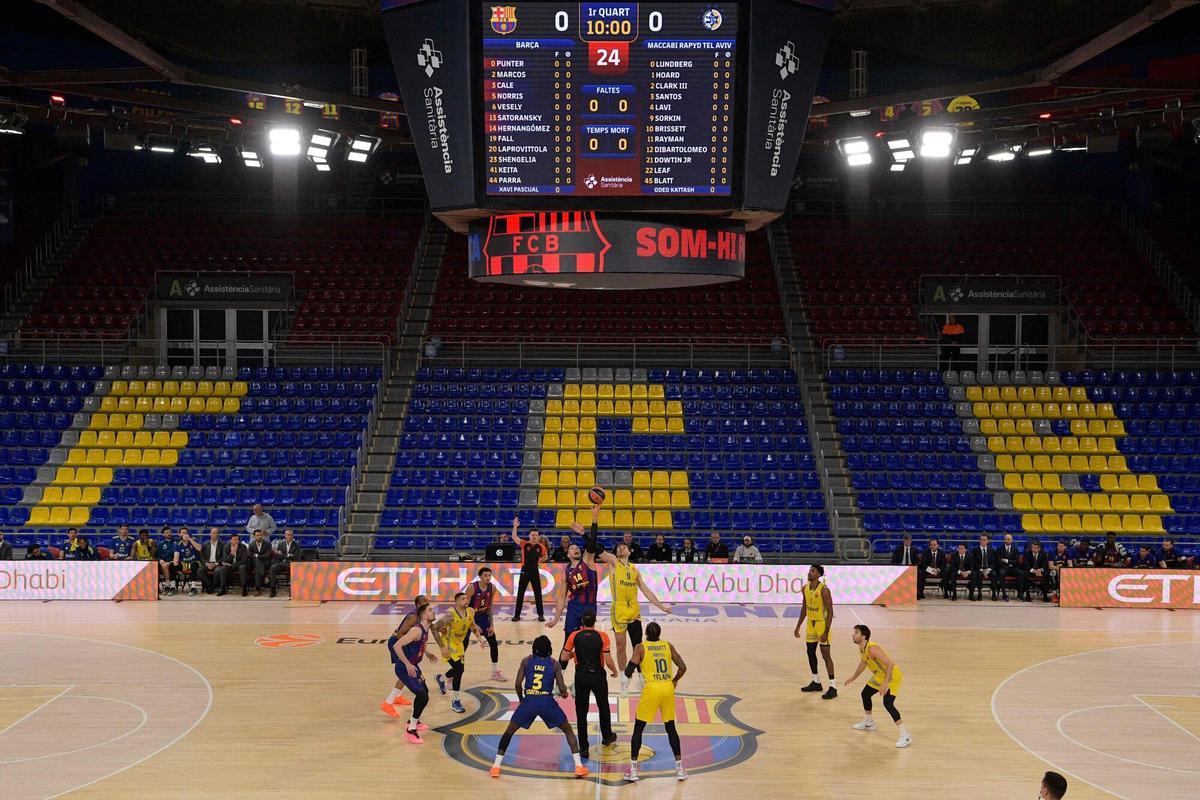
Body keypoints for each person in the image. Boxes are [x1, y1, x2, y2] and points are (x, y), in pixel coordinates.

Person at [490, 635, 589, 779]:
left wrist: (521, 699)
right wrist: (564, 693)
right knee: (568, 730)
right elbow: (561, 688)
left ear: (534, 648)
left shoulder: (526, 661)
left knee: (509, 731)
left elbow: (518, 684)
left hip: (529, 700)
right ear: (549, 649)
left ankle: (496, 766)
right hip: (546, 701)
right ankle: (579, 766)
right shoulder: (555, 664)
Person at [598, 527, 673, 695]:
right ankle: (624, 680)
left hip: (634, 612)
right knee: (620, 646)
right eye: (618, 547)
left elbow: (646, 590)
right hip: (618, 611)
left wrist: (661, 607)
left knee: (637, 645)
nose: (620, 548)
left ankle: (640, 676)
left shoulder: (634, 570)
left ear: (630, 551)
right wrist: (585, 532)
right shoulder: (613, 562)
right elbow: (597, 548)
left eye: (624, 547)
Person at [622, 622, 688, 782]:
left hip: (651, 689)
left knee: (639, 728)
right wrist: (674, 681)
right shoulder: (667, 645)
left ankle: (633, 771)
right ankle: (679, 770)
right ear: (659, 633)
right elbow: (683, 667)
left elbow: (628, 670)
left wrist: (631, 678)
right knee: (671, 728)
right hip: (667, 688)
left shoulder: (641, 647)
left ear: (645, 633)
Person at [558, 608, 617, 760]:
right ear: (595, 620)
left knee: (581, 712)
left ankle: (584, 747)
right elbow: (608, 659)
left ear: (582, 621)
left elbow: (564, 657)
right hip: (598, 676)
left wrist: (574, 654)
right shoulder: (603, 636)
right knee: (603, 706)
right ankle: (607, 736)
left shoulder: (574, 635)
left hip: (581, 676)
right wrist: (615, 671)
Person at [844, 624, 911, 748]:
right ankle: (869, 722)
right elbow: (863, 663)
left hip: (892, 676)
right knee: (865, 694)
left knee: (888, 703)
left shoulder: (872, 648)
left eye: (856, 633)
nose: (853, 635)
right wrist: (853, 678)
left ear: (863, 637)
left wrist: (885, 684)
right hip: (880, 676)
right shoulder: (862, 648)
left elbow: (890, 664)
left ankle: (905, 735)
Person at [383, 604, 441, 744]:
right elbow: (397, 646)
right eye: (430, 610)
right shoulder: (416, 630)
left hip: (413, 666)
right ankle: (411, 729)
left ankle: (413, 721)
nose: (433, 612)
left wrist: (426, 654)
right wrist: (408, 664)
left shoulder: (425, 629)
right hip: (404, 668)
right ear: (423, 615)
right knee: (422, 695)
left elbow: (421, 645)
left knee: (425, 693)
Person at [549, 513, 600, 646]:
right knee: (568, 643)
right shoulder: (566, 572)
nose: (576, 549)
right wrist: (555, 619)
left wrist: (593, 520)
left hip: (589, 608)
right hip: (573, 608)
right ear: (568, 554)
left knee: (586, 645)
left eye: (577, 548)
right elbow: (561, 597)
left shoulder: (588, 562)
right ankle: (561, 666)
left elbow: (592, 543)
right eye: (572, 548)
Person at [432, 591, 487, 713]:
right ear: (456, 602)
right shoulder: (450, 615)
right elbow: (434, 628)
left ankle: (441, 679)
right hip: (448, 643)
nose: (466, 601)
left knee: (459, 669)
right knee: (459, 669)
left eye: (466, 598)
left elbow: (472, 625)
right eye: (463, 599)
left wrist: (479, 637)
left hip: (459, 644)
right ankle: (455, 701)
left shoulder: (470, 611)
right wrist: (442, 647)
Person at [381, 595, 432, 712]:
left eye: (428, 600)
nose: (427, 601)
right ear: (418, 605)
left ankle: (396, 697)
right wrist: (409, 648)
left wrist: (427, 652)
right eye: (424, 601)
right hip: (397, 642)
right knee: (407, 670)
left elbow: (424, 637)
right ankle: (388, 703)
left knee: (409, 671)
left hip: (406, 643)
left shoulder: (424, 617)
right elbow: (400, 634)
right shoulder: (413, 617)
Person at [794, 564, 836, 698]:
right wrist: (798, 625)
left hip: (822, 625)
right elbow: (804, 607)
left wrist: (826, 631)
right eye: (809, 570)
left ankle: (833, 686)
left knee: (825, 655)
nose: (810, 573)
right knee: (810, 653)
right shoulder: (805, 588)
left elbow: (830, 612)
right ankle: (816, 682)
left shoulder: (824, 590)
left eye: (813, 571)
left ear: (819, 574)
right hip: (810, 625)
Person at [463, 566, 505, 681]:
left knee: (493, 642)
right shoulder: (472, 588)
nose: (488, 578)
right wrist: (473, 624)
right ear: (480, 577)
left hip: (483, 617)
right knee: (463, 646)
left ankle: (495, 671)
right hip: (469, 617)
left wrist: (492, 624)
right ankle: (452, 675)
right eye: (485, 575)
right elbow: (465, 608)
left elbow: (490, 607)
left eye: (489, 575)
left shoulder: (492, 588)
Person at [510, 515, 548, 621]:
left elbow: (546, 556)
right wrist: (515, 526)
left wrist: (540, 561)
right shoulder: (524, 544)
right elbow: (514, 537)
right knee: (520, 593)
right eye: (533, 535)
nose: (534, 537)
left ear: (538, 536)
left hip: (534, 570)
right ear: (529, 536)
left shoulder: (541, 546)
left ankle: (541, 615)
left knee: (538, 594)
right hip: (524, 570)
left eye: (536, 535)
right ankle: (517, 615)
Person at [996, 533, 1028, 601]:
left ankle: (1020, 594)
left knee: (1021, 573)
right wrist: (1010, 562)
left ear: (1012, 540)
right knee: (1001, 573)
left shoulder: (1015, 549)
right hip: (1003, 568)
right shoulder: (999, 549)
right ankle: (1004, 594)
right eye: (1005, 539)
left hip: (1013, 568)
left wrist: (1006, 561)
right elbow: (999, 561)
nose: (1007, 540)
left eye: (1008, 539)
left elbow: (1016, 561)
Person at [270, 528, 300, 597]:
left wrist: (284, 555)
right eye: (288, 535)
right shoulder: (281, 544)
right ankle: (273, 589)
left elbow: (295, 557)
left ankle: (292, 589)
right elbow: (278, 556)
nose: (289, 536)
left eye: (291, 535)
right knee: (273, 568)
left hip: (291, 564)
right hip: (281, 563)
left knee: (293, 569)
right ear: (285, 536)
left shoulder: (296, 545)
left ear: (293, 536)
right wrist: (289, 555)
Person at [175, 527, 202, 596]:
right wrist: (175, 562)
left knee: (193, 564)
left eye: (185, 532)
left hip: (194, 562)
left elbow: (199, 548)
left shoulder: (194, 540)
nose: (184, 534)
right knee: (173, 565)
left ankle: (193, 588)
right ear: (179, 534)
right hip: (184, 564)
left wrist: (190, 539)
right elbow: (176, 557)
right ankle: (172, 587)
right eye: (182, 532)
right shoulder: (178, 544)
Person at [247, 529, 273, 596]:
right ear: (254, 536)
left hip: (265, 563)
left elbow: (267, 556)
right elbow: (250, 556)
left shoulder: (267, 544)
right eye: (257, 535)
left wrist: (257, 555)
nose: (259, 536)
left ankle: (257, 589)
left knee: (257, 568)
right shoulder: (251, 545)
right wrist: (260, 556)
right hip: (254, 563)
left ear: (262, 535)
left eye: (260, 535)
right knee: (256, 563)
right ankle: (265, 577)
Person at [972, 533, 998, 601]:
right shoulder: (975, 550)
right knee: (979, 574)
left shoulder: (992, 550)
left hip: (988, 568)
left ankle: (994, 593)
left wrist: (989, 570)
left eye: (984, 540)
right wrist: (981, 570)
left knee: (994, 574)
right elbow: (974, 563)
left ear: (987, 541)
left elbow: (993, 562)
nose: (982, 541)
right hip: (979, 568)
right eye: (981, 540)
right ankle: (979, 593)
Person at [199, 528, 224, 594]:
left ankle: (212, 587)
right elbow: (202, 556)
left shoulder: (222, 544)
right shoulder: (205, 544)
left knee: (217, 571)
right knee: (200, 571)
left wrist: (215, 564)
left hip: (217, 563)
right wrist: (207, 563)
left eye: (217, 533)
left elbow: (223, 556)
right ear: (210, 534)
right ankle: (210, 585)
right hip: (208, 563)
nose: (215, 534)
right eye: (214, 533)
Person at [156, 527, 177, 595]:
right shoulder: (161, 544)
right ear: (163, 535)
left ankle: (167, 586)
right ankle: (166, 586)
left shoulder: (176, 542)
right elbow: (157, 555)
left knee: (165, 565)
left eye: (170, 532)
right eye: (166, 533)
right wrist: (160, 560)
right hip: (164, 562)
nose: (169, 534)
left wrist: (173, 560)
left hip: (173, 561)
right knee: (163, 565)